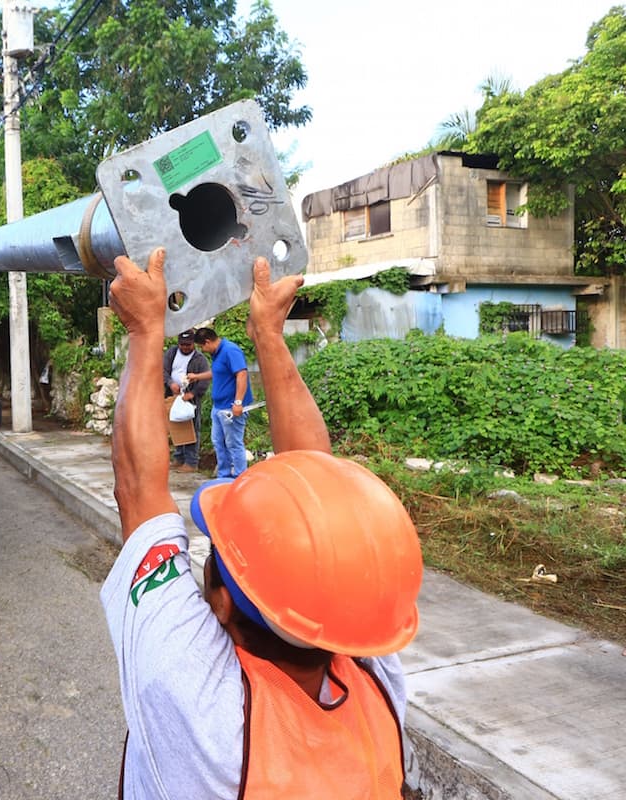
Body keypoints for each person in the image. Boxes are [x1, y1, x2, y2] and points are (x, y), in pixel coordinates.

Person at [103, 249, 423, 798]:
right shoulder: (375, 684)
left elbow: (137, 490)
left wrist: (141, 329)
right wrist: (269, 333)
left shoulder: (201, 703)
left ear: (222, 604)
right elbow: (321, 494)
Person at [190, 326, 252, 479]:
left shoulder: (231, 351)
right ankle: (224, 476)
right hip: (218, 407)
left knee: (233, 443)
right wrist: (197, 376)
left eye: (201, 347)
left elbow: (242, 374)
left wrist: (238, 402)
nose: (202, 350)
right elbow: (217, 372)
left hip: (230, 408)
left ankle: (239, 477)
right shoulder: (216, 353)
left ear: (207, 342)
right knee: (218, 442)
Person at [162, 329, 209, 473]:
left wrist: (193, 393)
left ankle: (191, 461)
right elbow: (162, 370)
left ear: (193, 344)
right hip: (173, 396)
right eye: (182, 345)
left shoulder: (200, 359)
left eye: (188, 345)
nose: (185, 347)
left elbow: (205, 380)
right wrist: (170, 383)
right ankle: (179, 457)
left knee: (192, 428)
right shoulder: (171, 353)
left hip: (191, 398)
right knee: (176, 426)